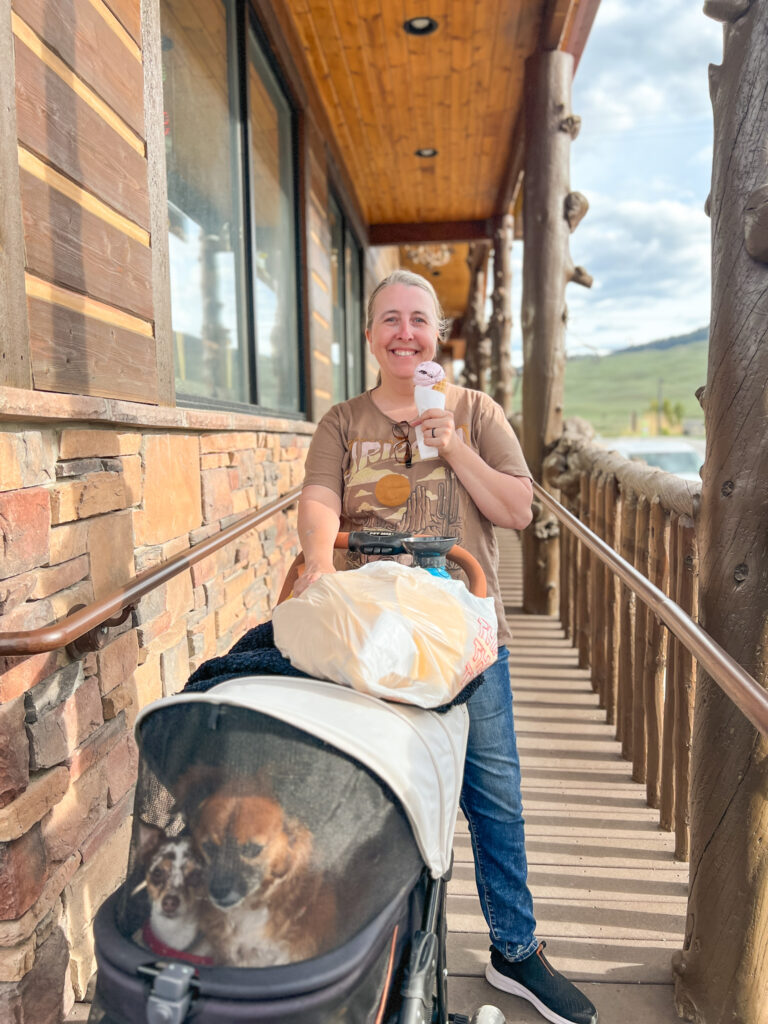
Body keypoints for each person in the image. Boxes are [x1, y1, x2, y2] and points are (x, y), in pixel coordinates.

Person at [294, 269, 597, 1024]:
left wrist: (454, 446)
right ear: (368, 336)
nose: (405, 332)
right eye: (389, 319)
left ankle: (514, 950)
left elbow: (519, 509)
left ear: (437, 336)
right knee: (371, 792)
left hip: (465, 632)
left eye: (419, 319)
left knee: (494, 794)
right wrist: (321, 573)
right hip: (373, 633)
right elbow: (319, 499)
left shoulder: (475, 409)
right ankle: (380, 954)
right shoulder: (342, 420)